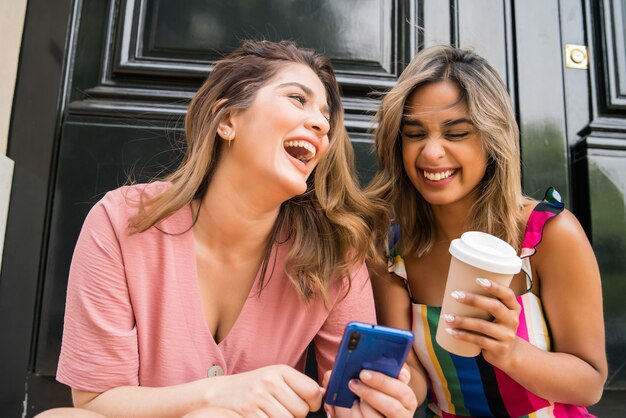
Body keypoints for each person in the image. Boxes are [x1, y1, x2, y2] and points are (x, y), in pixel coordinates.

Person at [56, 39, 417, 417]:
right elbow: (95, 402)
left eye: (326, 117)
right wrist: (218, 396)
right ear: (227, 120)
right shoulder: (121, 222)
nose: (321, 124)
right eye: (297, 98)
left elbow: (349, 402)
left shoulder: (337, 254)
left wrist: (372, 407)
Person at [366, 44, 607, 417]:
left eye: (457, 133)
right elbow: (411, 376)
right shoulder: (391, 249)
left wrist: (512, 353)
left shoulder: (548, 235)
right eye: (414, 134)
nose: (431, 153)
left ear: (492, 140)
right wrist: (383, 388)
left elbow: (590, 381)